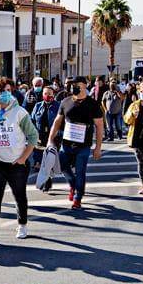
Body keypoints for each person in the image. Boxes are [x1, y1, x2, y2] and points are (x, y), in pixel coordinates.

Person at [0, 77, 38, 245]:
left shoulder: (20, 113)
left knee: (19, 195)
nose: (6, 94)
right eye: (2, 91)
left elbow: (33, 137)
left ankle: (22, 225)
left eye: (8, 90)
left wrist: (23, 159)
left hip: (16, 163)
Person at [48, 76, 104, 209]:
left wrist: (98, 148)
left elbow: (99, 126)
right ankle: (73, 184)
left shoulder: (93, 104)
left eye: (77, 85)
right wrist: (50, 140)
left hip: (84, 145)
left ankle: (78, 198)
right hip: (67, 144)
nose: (74, 87)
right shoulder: (65, 101)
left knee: (81, 171)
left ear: (85, 86)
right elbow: (57, 122)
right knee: (61, 165)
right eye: (73, 85)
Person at [30, 85, 61, 184]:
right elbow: (32, 120)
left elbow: (62, 122)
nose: (47, 96)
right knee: (41, 160)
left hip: (53, 137)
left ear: (53, 94)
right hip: (40, 136)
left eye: (49, 94)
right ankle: (45, 180)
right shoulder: (38, 105)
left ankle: (47, 181)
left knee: (49, 160)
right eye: (45, 93)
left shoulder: (58, 106)